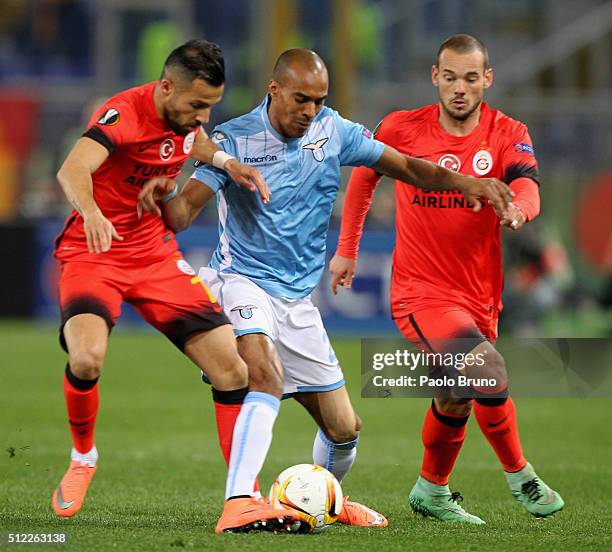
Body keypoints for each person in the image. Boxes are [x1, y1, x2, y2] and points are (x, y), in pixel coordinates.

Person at [137, 48, 512, 527]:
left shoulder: (334, 131)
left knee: (344, 430)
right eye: (300, 100)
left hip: (297, 301)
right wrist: (158, 192)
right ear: (274, 90)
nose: (310, 111)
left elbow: (410, 167)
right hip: (243, 281)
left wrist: (466, 182)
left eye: (319, 100)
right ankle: (239, 502)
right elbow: (184, 213)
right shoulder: (235, 139)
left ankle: (322, 502)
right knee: (263, 374)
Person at [52, 38, 299, 534]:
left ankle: (243, 498)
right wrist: (94, 212)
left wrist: (229, 164)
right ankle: (83, 457)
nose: (202, 117)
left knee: (233, 369)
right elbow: (72, 168)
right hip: (95, 252)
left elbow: (197, 145)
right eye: (196, 105)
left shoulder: (189, 124)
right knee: (86, 359)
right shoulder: (123, 113)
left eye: (210, 106)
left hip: (155, 257)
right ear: (166, 87)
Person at [330, 34, 564, 523]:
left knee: (455, 395)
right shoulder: (401, 127)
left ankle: (431, 490)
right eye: (451, 77)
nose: (460, 88)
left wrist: (518, 211)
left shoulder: (507, 132)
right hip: (421, 293)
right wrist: (347, 251)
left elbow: (527, 184)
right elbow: (363, 178)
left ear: (487, 80)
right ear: (436, 77)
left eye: (471, 78)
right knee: (491, 371)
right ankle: (521, 476)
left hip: (480, 295)